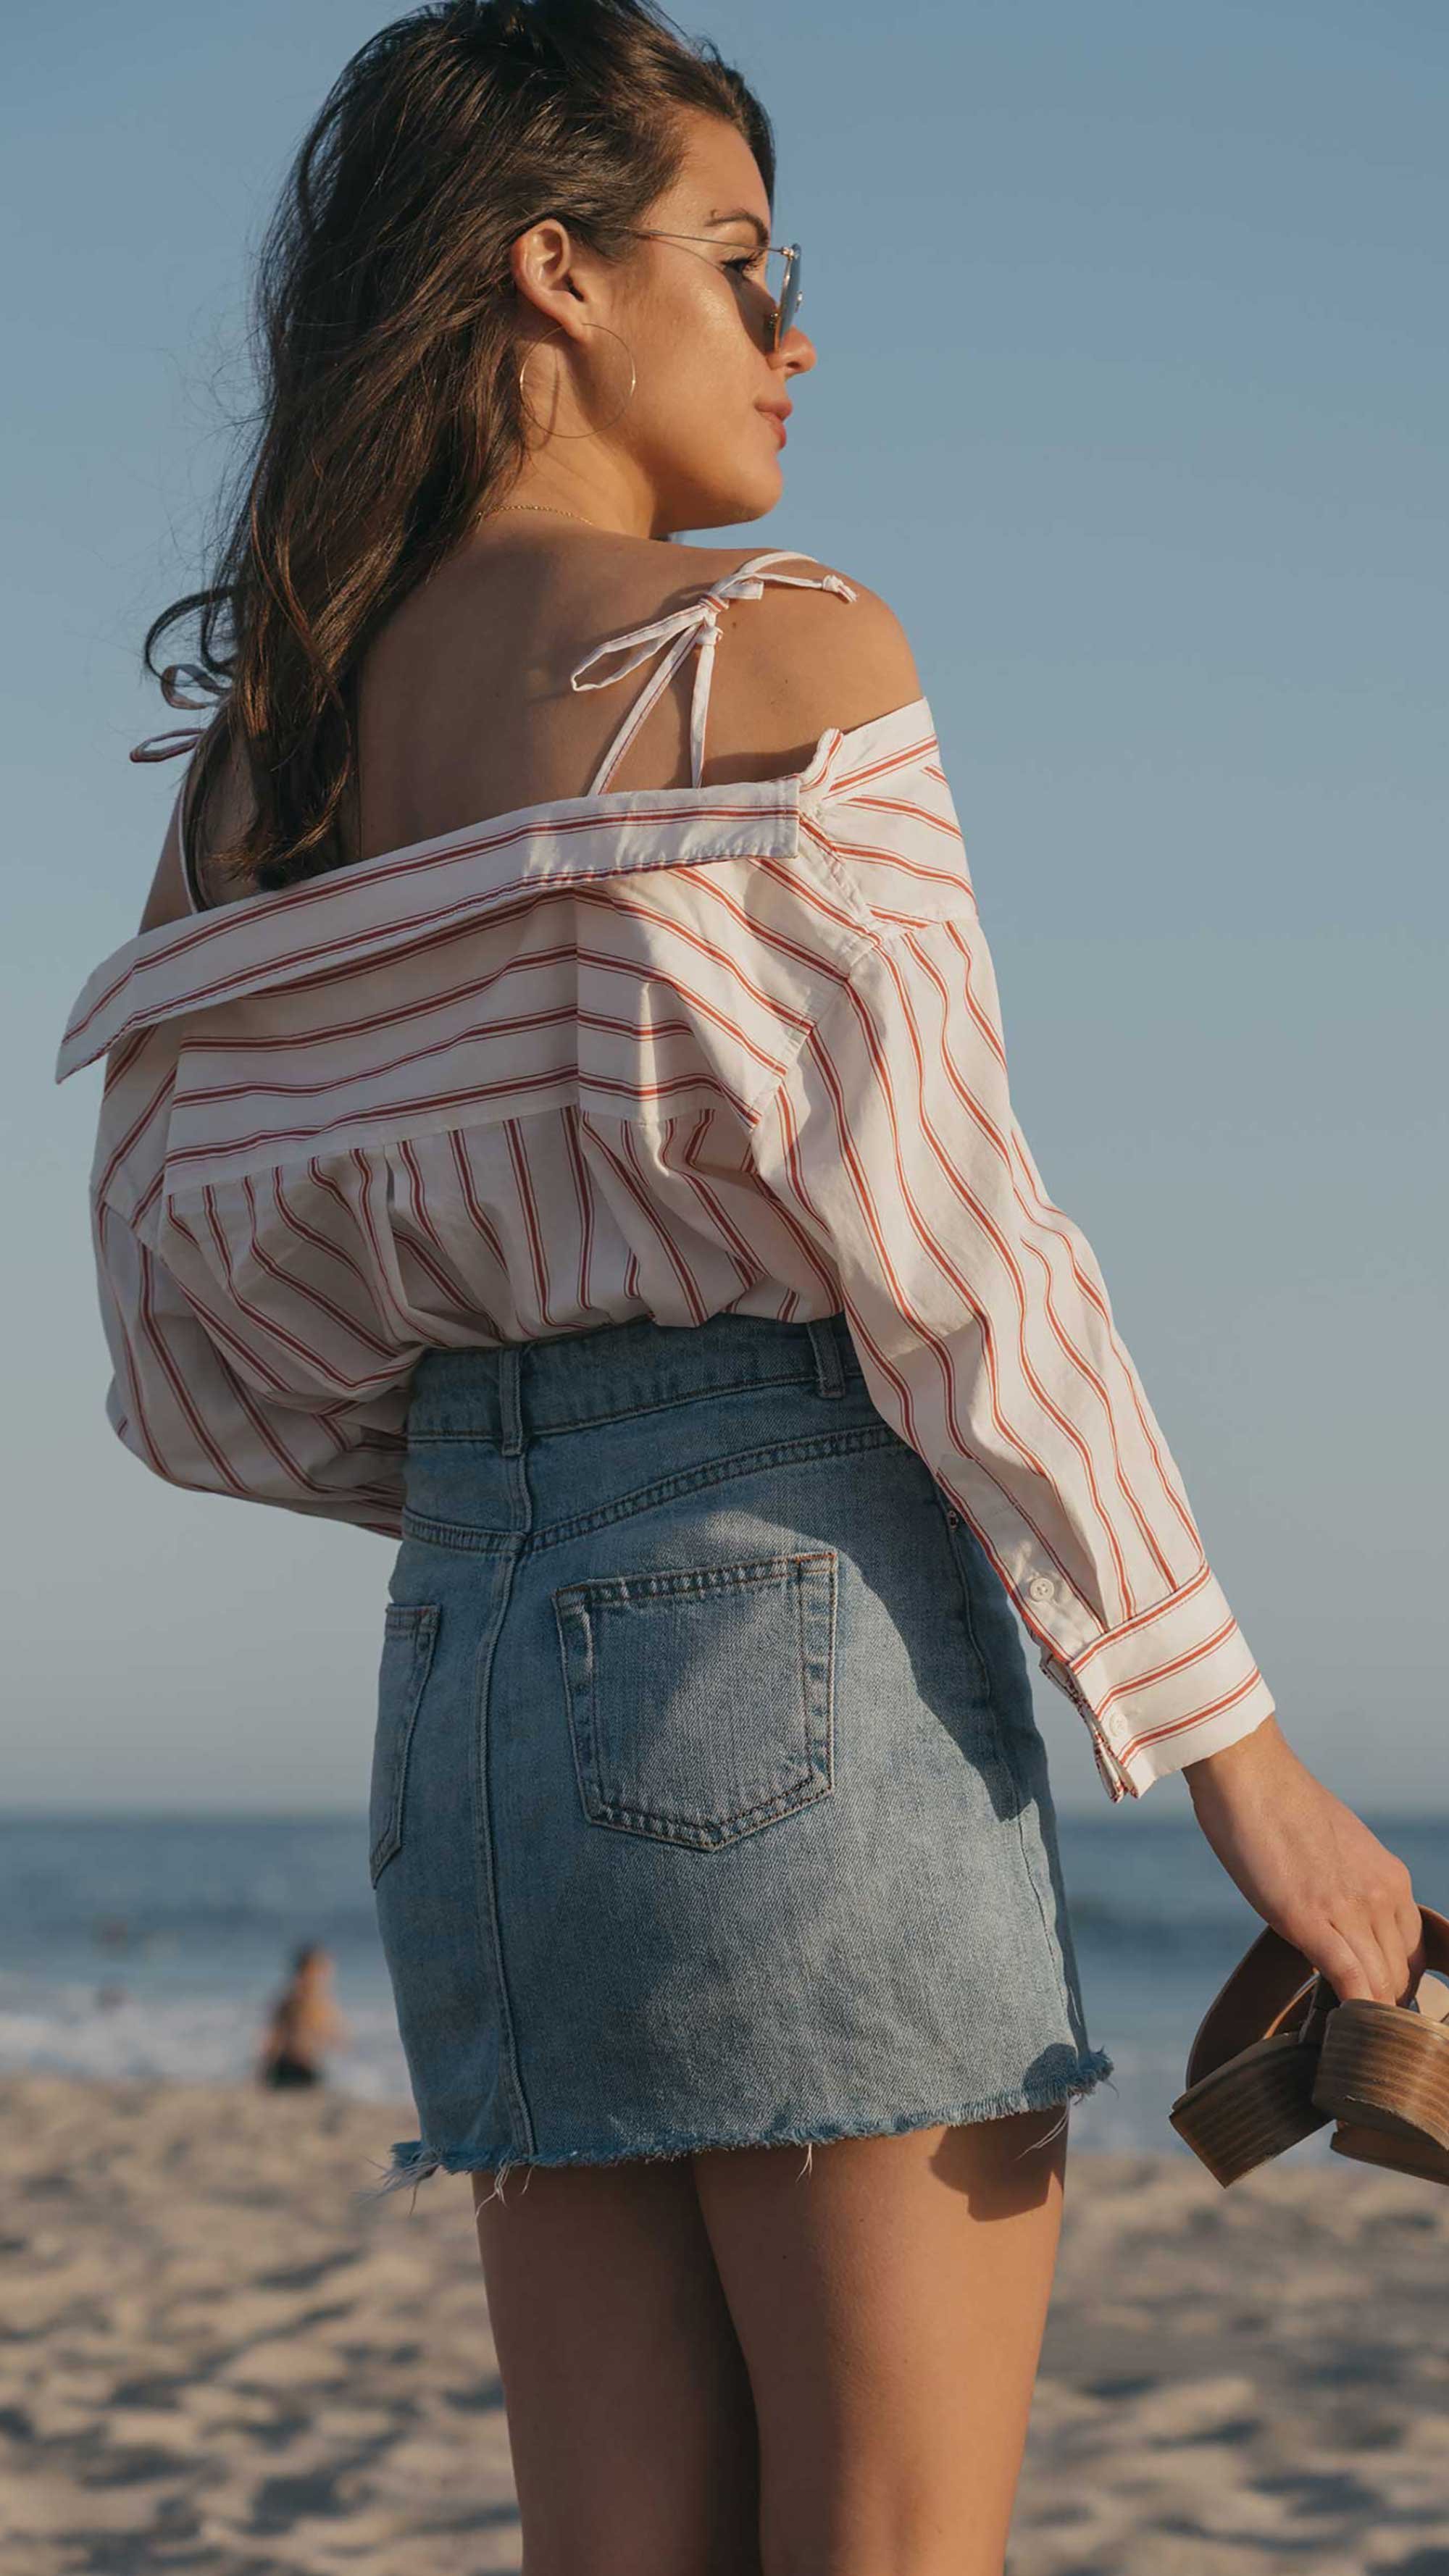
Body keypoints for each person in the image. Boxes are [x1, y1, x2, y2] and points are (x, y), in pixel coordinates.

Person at [55, 4, 1424, 2568]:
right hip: (802, 1607)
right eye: (737, 261)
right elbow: (962, 1259)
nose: (796, 339)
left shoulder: (268, 772)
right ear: (549, 275)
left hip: (468, 1676)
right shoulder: (762, 651)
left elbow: (180, 1339)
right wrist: (1234, 1742)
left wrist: (524, 1486)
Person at [257, 1944, 348, 2091]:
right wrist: (265, 2066)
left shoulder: (322, 2003)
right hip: (287, 2065)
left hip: (309, 2064)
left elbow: (336, 2037)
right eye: (316, 1973)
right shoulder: (291, 2002)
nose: (319, 1979)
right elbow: (274, 2037)